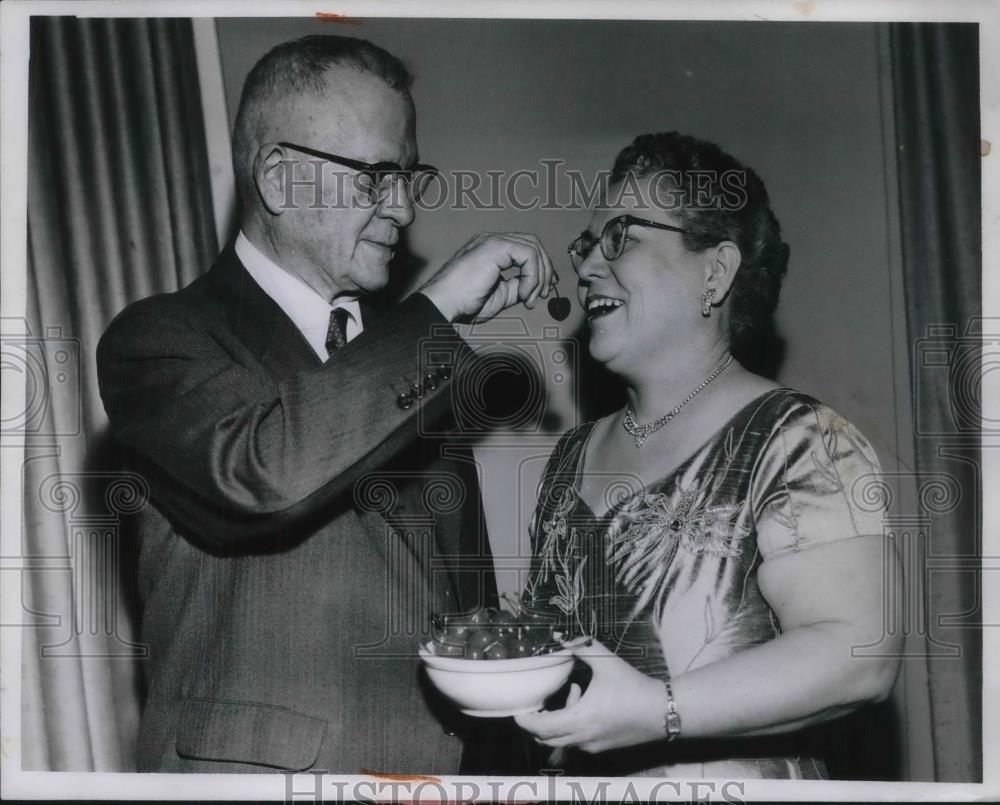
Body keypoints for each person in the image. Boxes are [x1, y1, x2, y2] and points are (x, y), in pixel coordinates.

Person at [96, 35, 554, 774]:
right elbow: (261, 473)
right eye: (377, 176)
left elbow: (468, 611)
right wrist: (435, 310)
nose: (402, 208)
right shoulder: (159, 338)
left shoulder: (414, 358)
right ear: (279, 179)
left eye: (409, 176)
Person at [514, 131, 902, 778]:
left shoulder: (802, 440)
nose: (585, 267)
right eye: (587, 244)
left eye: (621, 236)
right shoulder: (567, 457)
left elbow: (861, 654)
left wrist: (659, 709)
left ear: (715, 271)